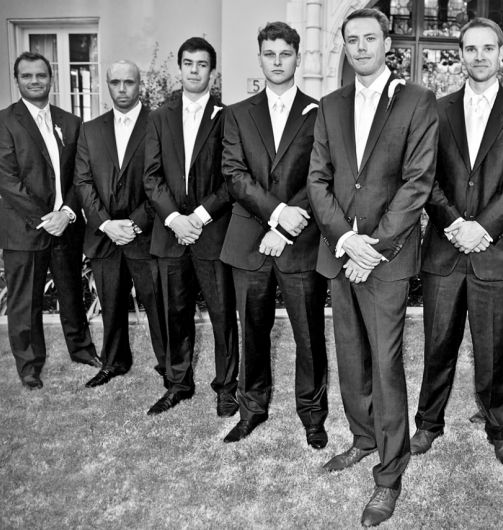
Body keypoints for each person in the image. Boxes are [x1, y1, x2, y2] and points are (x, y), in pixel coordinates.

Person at [307, 8, 438, 527]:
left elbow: (417, 182)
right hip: (341, 253)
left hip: (387, 259)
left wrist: (374, 248)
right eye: (352, 40)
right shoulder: (330, 105)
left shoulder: (417, 101)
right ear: (344, 46)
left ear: (388, 43)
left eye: (369, 38)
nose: (360, 47)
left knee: (385, 367)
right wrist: (345, 240)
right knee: (350, 358)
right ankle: (363, 439)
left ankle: (389, 474)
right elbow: (318, 180)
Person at [410, 18, 503, 468]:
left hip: (497, 252)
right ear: (461, 54)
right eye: (471, 48)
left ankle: (500, 429)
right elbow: (424, 175)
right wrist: (453, 223)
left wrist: (481, 228)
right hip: (445, 251)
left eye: (488, 48)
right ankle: (428, 424)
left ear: (501, 53)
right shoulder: (436, 108)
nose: (480, 56)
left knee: (496, 351)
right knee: (437, 346)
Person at [219, 22, 328, 448]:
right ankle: (252, 409)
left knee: (309, 334)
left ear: (297, 58)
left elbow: (322, 176)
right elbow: (234, 174)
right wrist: (277, 214)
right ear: (260, 58)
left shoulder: (320, 112)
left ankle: (313, 414)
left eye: (285, 53)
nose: (277, 61)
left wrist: (285, 227)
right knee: (252, 332)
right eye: (270, 54)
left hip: (300, 240)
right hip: (249, 239)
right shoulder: (237, 113)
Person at [0, 52, 99, 389]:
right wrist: (44, 218)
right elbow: (6, 179)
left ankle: (82, 350)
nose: (34, 81)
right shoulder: (1, 122)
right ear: (17, 80)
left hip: (66, 225)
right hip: (25, 229)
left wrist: (66, 214)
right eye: (27, 76)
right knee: (26, 302)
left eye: (41, 75)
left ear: (51, 78)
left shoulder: (71, 122)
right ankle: (30, 366)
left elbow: (81, 175)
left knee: (72, 293)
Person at [143, 37, 238, 416]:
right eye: (188, 63)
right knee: (175, 313)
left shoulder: (227, 116)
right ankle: (179, 383)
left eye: (202, 64)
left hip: (211, 233)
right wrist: (174, 220)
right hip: (170, 234)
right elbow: (151, 177)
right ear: (179, 68)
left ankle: (226, 388)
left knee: (222, 315)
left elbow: (231, 178)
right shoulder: (158, 117)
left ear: (212, 72)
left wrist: (197, 218)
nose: (194, 70)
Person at [74, 60, 167, 389]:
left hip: (146, 234)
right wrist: (106, 224)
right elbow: (82, 182)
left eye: (129, 82)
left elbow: (164, 180)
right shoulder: (90, 129)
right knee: (111, 304)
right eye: (115, 82)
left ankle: (170, 365)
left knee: (157, 304)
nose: (122, 88)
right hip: (105, 237)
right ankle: (114, 362)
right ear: (108, 85)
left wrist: (134, 222)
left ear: (139, 84)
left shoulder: (159, 124)